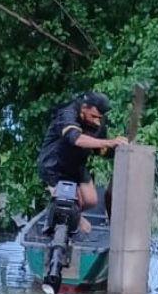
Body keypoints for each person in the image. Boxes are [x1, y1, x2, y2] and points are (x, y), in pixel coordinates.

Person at [37, 91, 128, 232]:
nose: (97, 121)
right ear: (84, 107)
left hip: (76, 166)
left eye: (100, 118)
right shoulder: (67, 114)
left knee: (91, 200)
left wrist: (119, 149)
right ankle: (65, 217)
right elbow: (77, 139)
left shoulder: (97, 121)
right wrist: (110, 142)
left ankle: (67, 214)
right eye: (94, 116)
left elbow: (100, 149)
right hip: (54, 166)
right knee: (73, 212)